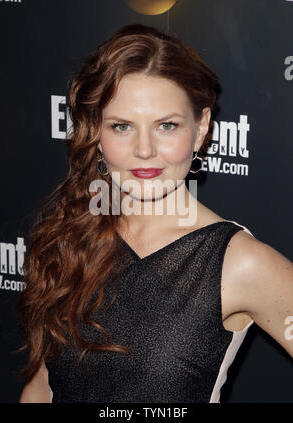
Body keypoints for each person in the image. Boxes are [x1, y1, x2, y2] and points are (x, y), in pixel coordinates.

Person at [17, 23, 293, 403]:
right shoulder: (71, 235)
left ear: (200, 130)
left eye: (166, 125)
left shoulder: (238, 263)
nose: (144, 150)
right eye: (122, 126)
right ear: (97, 131)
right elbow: (40, 388)